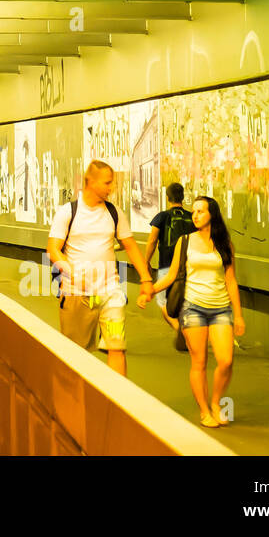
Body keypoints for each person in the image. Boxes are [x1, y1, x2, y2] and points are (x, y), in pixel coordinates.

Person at [46, 160, 153, 377]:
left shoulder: (114, 213)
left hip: (109, 293)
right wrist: (71, 273)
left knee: (116, 347)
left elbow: (130, 246)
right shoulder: (68, 212)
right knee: (76, 354)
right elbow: (53, 250)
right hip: (77, 294)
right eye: (107, 183)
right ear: (90, 182)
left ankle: (119, 402)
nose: (111, 187)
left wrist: (146, 280)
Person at [151, 196, 245, 428]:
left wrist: (239, 314)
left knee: (225, 360)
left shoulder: (224, 244)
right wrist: (149, 290)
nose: (195, 215)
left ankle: (216, 402)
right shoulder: (185, 241)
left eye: (201, 211)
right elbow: (172, 275)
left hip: (221, 307)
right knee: (199, 362)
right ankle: (204, 410)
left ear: (212, 214)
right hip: (192, 307)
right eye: (194, 211)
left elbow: (231, 280)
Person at [144, 182, 195, 349]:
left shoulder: (162, 217)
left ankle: (179, 328)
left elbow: (152, 241)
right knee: (185, 301)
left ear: (167, 198)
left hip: (166, 265)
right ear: (182, 197)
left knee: (163, 302)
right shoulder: (191, 217)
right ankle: (188, 331)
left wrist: (146, 261)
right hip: (189, 267)